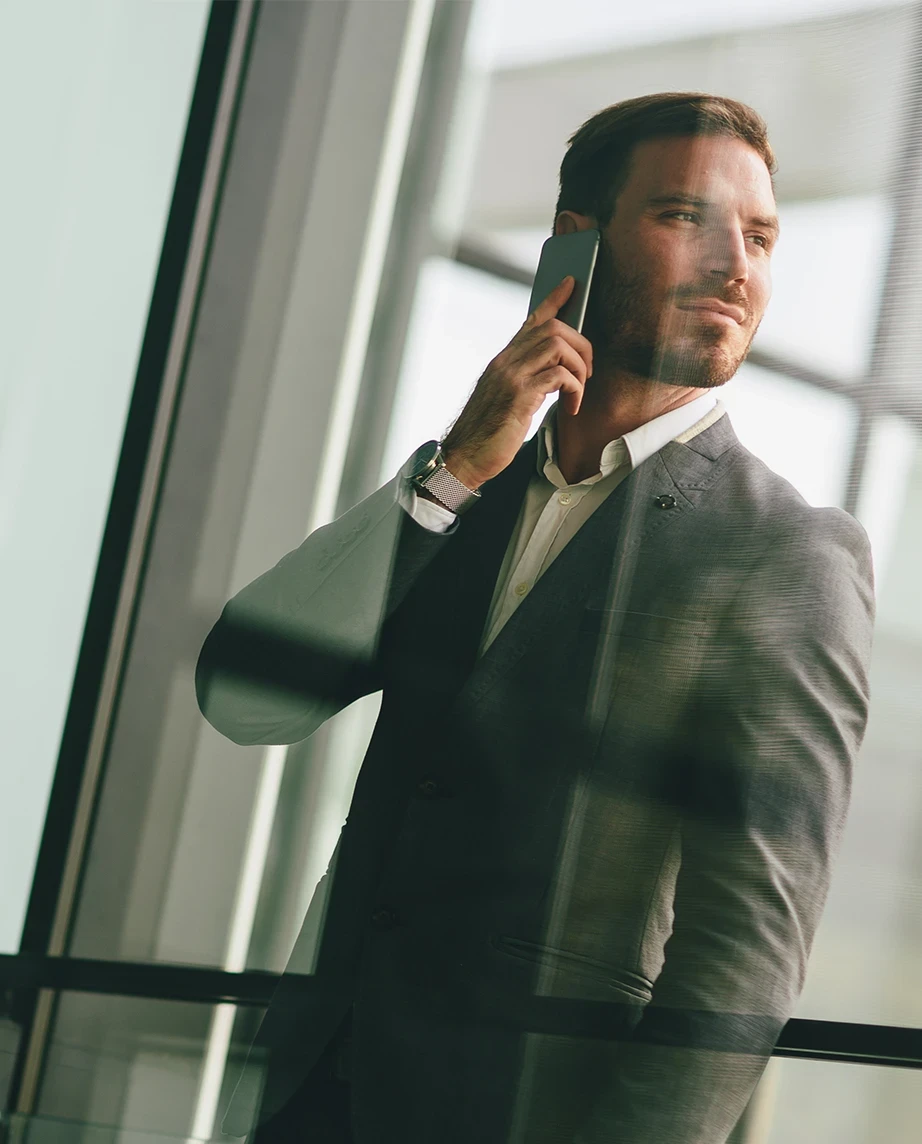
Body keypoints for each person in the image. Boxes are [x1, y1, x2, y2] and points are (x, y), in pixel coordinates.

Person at [196, 93, 875, 1144]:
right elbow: (245, 697)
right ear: (578, 243)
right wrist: (453, 472)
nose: (736, 265)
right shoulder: (471, 491)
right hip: (311, 1092)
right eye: (685, 217)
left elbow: (746, 949)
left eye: (760, 235)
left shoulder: (786, 549)